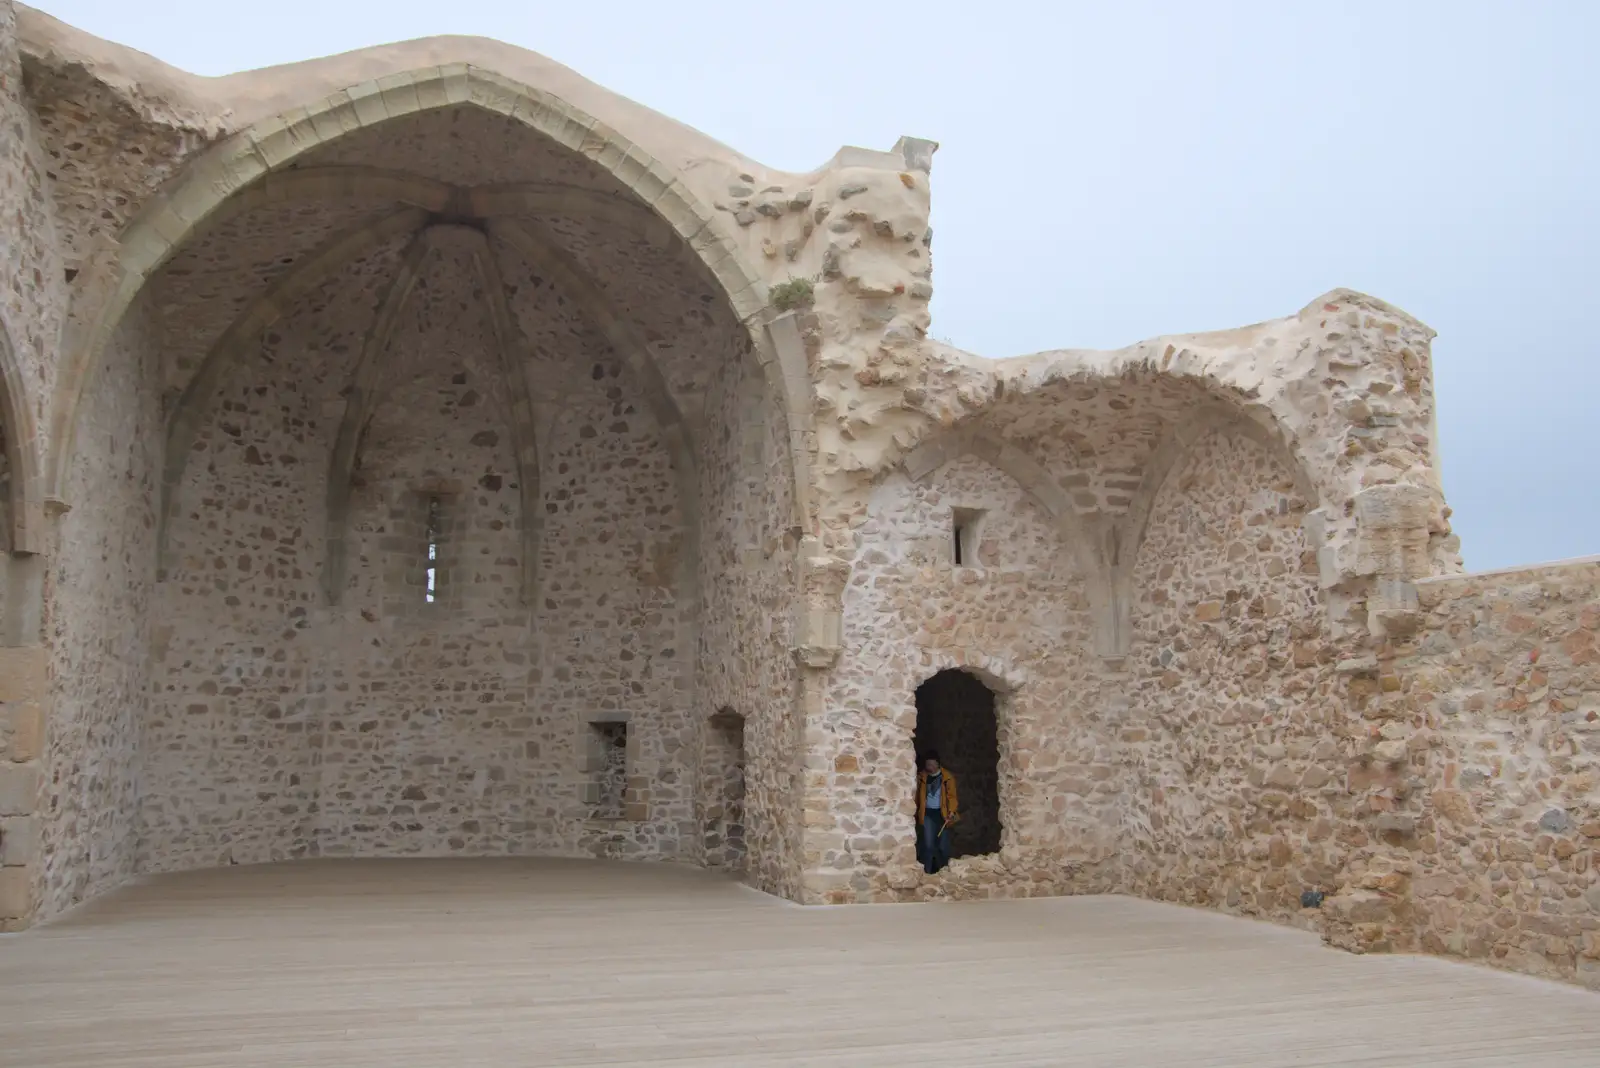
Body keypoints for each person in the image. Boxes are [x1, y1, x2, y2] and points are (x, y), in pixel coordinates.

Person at [915, 752, 959, 874]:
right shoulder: (922, 777)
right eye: (927, 764)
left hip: (942, 814)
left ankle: (943, 871)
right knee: (928, 845)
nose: (929, 766)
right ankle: (927, 872)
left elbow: (952, 797)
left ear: (938, 764)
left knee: (943, 847)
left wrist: (952, 811)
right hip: (927, 814)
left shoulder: (947, 778)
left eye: (931, 764)